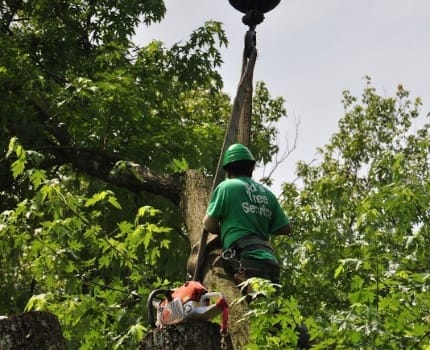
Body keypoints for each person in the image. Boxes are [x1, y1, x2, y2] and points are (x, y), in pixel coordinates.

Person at [203, 143, 291, 285]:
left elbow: (208, 224)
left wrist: (228, 229)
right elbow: (285, 227)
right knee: (265, 306)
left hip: (246, 261)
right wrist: (256, 221)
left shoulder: (226, 187)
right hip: (270, 264)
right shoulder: (267, 193)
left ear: (228, 171)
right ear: (251, 168)